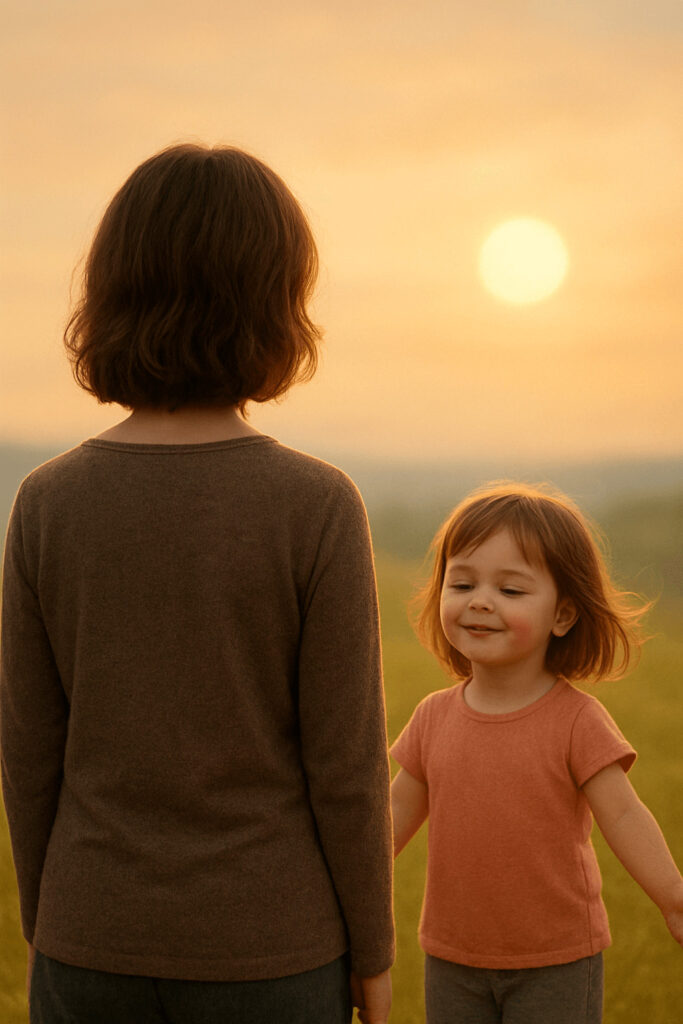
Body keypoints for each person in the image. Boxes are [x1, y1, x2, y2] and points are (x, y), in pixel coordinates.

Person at [0, 143, 394, 1024]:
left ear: (111, 290)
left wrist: (55, 924)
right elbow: (346, 771)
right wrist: (372, 957)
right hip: (275, 958)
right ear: (276, 303)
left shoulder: (44, 502)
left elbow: (28, 756)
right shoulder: (318, 505)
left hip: (84, 941)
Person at [390, 482, 682, 1024]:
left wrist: (673, 896)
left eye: (511, 591)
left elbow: (622, 813)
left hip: (557, 959)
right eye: (462, 582)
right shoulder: (433, 716)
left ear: (564, 616)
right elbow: (393, 815)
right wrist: (338, 891)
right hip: (451, 956)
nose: (479, 600)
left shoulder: (575, 721)